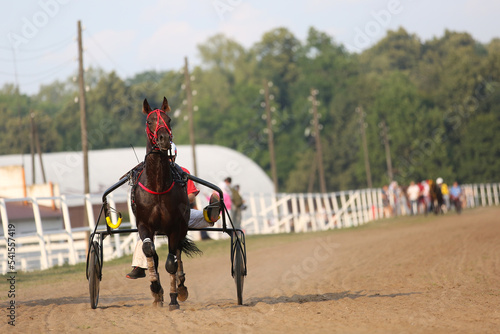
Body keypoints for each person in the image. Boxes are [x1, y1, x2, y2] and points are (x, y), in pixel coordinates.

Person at [126, 143, 220, 279]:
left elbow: (192, 195)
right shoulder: (149, 176)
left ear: (174, 157)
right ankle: (139, 266)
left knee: (196, 215)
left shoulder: (182, 172)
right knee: (144, 234)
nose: (167, 161)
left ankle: (211, 214)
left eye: (170, 158)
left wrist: (178, 201)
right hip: (154, 217)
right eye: (165, 157)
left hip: (178, 215)